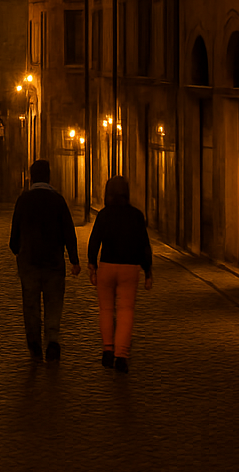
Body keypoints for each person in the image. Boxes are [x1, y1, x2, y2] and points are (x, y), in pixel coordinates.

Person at [8, 158, 80, 362]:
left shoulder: (24, 200)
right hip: (53, 262)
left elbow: (14, 233)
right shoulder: (58, 200)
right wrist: (74, 259)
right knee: (54, 302)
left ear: (31, 177)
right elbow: (68, 231)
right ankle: (52, 340)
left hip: (29, 261)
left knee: (30, 304)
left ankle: (34, 344)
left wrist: (17, 250)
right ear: (49, 177)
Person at [87, 175, 153, 373]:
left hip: (107, 266)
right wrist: (148, 270)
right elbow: (144, 245)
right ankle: (121, 355)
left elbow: (94, 240)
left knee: (106, 310)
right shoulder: (136, 215)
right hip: (129, 268)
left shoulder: (104, 215)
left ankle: (108, 348)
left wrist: (92, 265)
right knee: (126, 311)